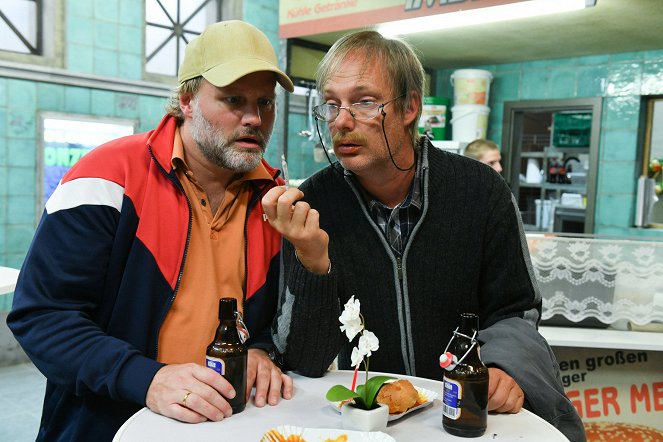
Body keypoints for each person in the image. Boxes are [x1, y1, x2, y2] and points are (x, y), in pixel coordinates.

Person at [262, 31, 585, 441]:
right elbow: (304, 361)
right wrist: (312, 262)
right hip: (363, 424)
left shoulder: (479, 190)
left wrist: (503, 367)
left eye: (363, 101)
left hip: (463, 419)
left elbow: (517, 310)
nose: (341, 121)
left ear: (410, 107)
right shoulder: (311, 207)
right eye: (331, 104)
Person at [8, 20, 295, 441]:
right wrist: (146, 379)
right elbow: (42, 315)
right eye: (233, 100)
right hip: (111, 426)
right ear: (187, 100)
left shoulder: (275, 200)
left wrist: (261, 350)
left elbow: (271, 320)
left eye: (265, 103)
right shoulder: (108, 177)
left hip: (229, 426)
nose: (254, 118)